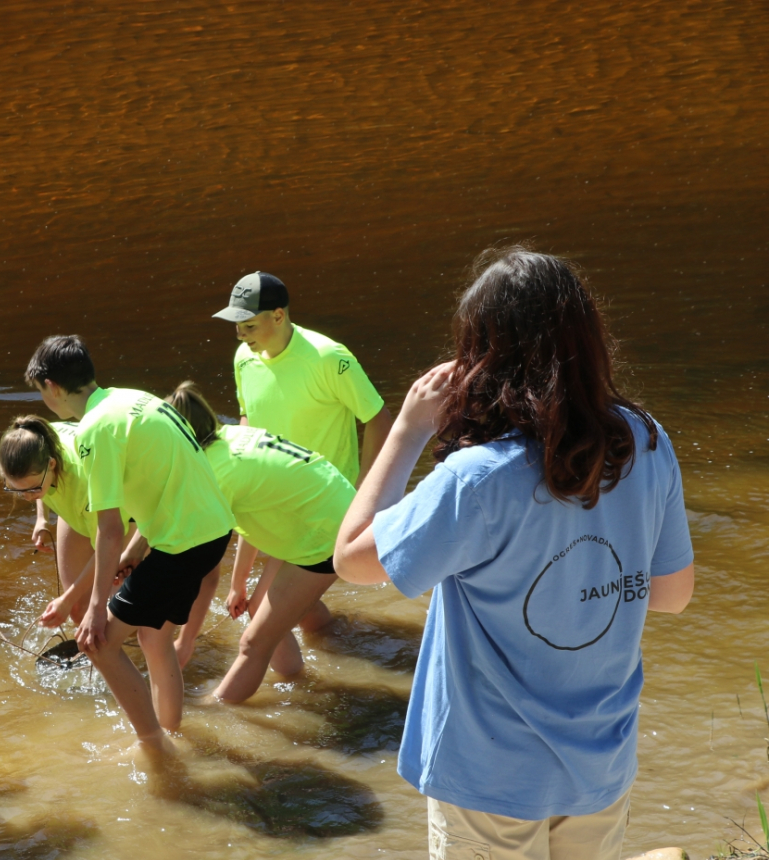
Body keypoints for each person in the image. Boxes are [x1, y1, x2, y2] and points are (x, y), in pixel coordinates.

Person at [334, 248, 694, 860]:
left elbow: (351, 559)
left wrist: (408, 429)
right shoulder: (645, 441)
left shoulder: (477, 479)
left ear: (481, 359)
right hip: (600, 762)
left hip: (489, 777)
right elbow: (671, 596)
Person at [25, 335, 235, 752]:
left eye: (40, 392)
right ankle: (171, 732)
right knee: (154, 638)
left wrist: (96, 609)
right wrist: (139, 550)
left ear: (50, 387)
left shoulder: (94, 429)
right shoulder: (131, 398)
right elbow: (164, 485)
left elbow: (108, 528)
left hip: (183, 543)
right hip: (213, 531)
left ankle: (153, 748)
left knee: (97, 645)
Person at [213, 271, 393, 640]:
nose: (239, 335)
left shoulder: (329, 358)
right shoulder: (243, 359)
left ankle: (304, 680)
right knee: (289, 609)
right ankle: (346, 643)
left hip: (323, 504)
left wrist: (363, 493)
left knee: (264, 611)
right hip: (276, 500)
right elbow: (248, 430)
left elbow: (379, 419)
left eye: (247, 325)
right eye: (236, 326)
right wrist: (238, 576)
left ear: (278, 316)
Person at [164, 381, 355, 697]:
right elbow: (251, 516)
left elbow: (204, 571)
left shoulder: (214, 475)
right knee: (264, 606)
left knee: (253, 642)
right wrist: (239, 584)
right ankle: (335, 639)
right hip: (333, 509)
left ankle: (224, 713)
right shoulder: (229, 437)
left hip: (324, 532)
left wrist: (186, 641)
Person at [0, 416, 131, 627]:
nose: (27, 497)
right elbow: (38, 487)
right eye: (17, 490)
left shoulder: (84, 481)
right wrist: (41, 518)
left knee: (116, 614)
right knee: (77, 611)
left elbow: (107, 546)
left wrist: (65, 601)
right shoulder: (34, 443)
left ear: (52, 464)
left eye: (32, 489)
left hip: (120, 516)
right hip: (77, 509)